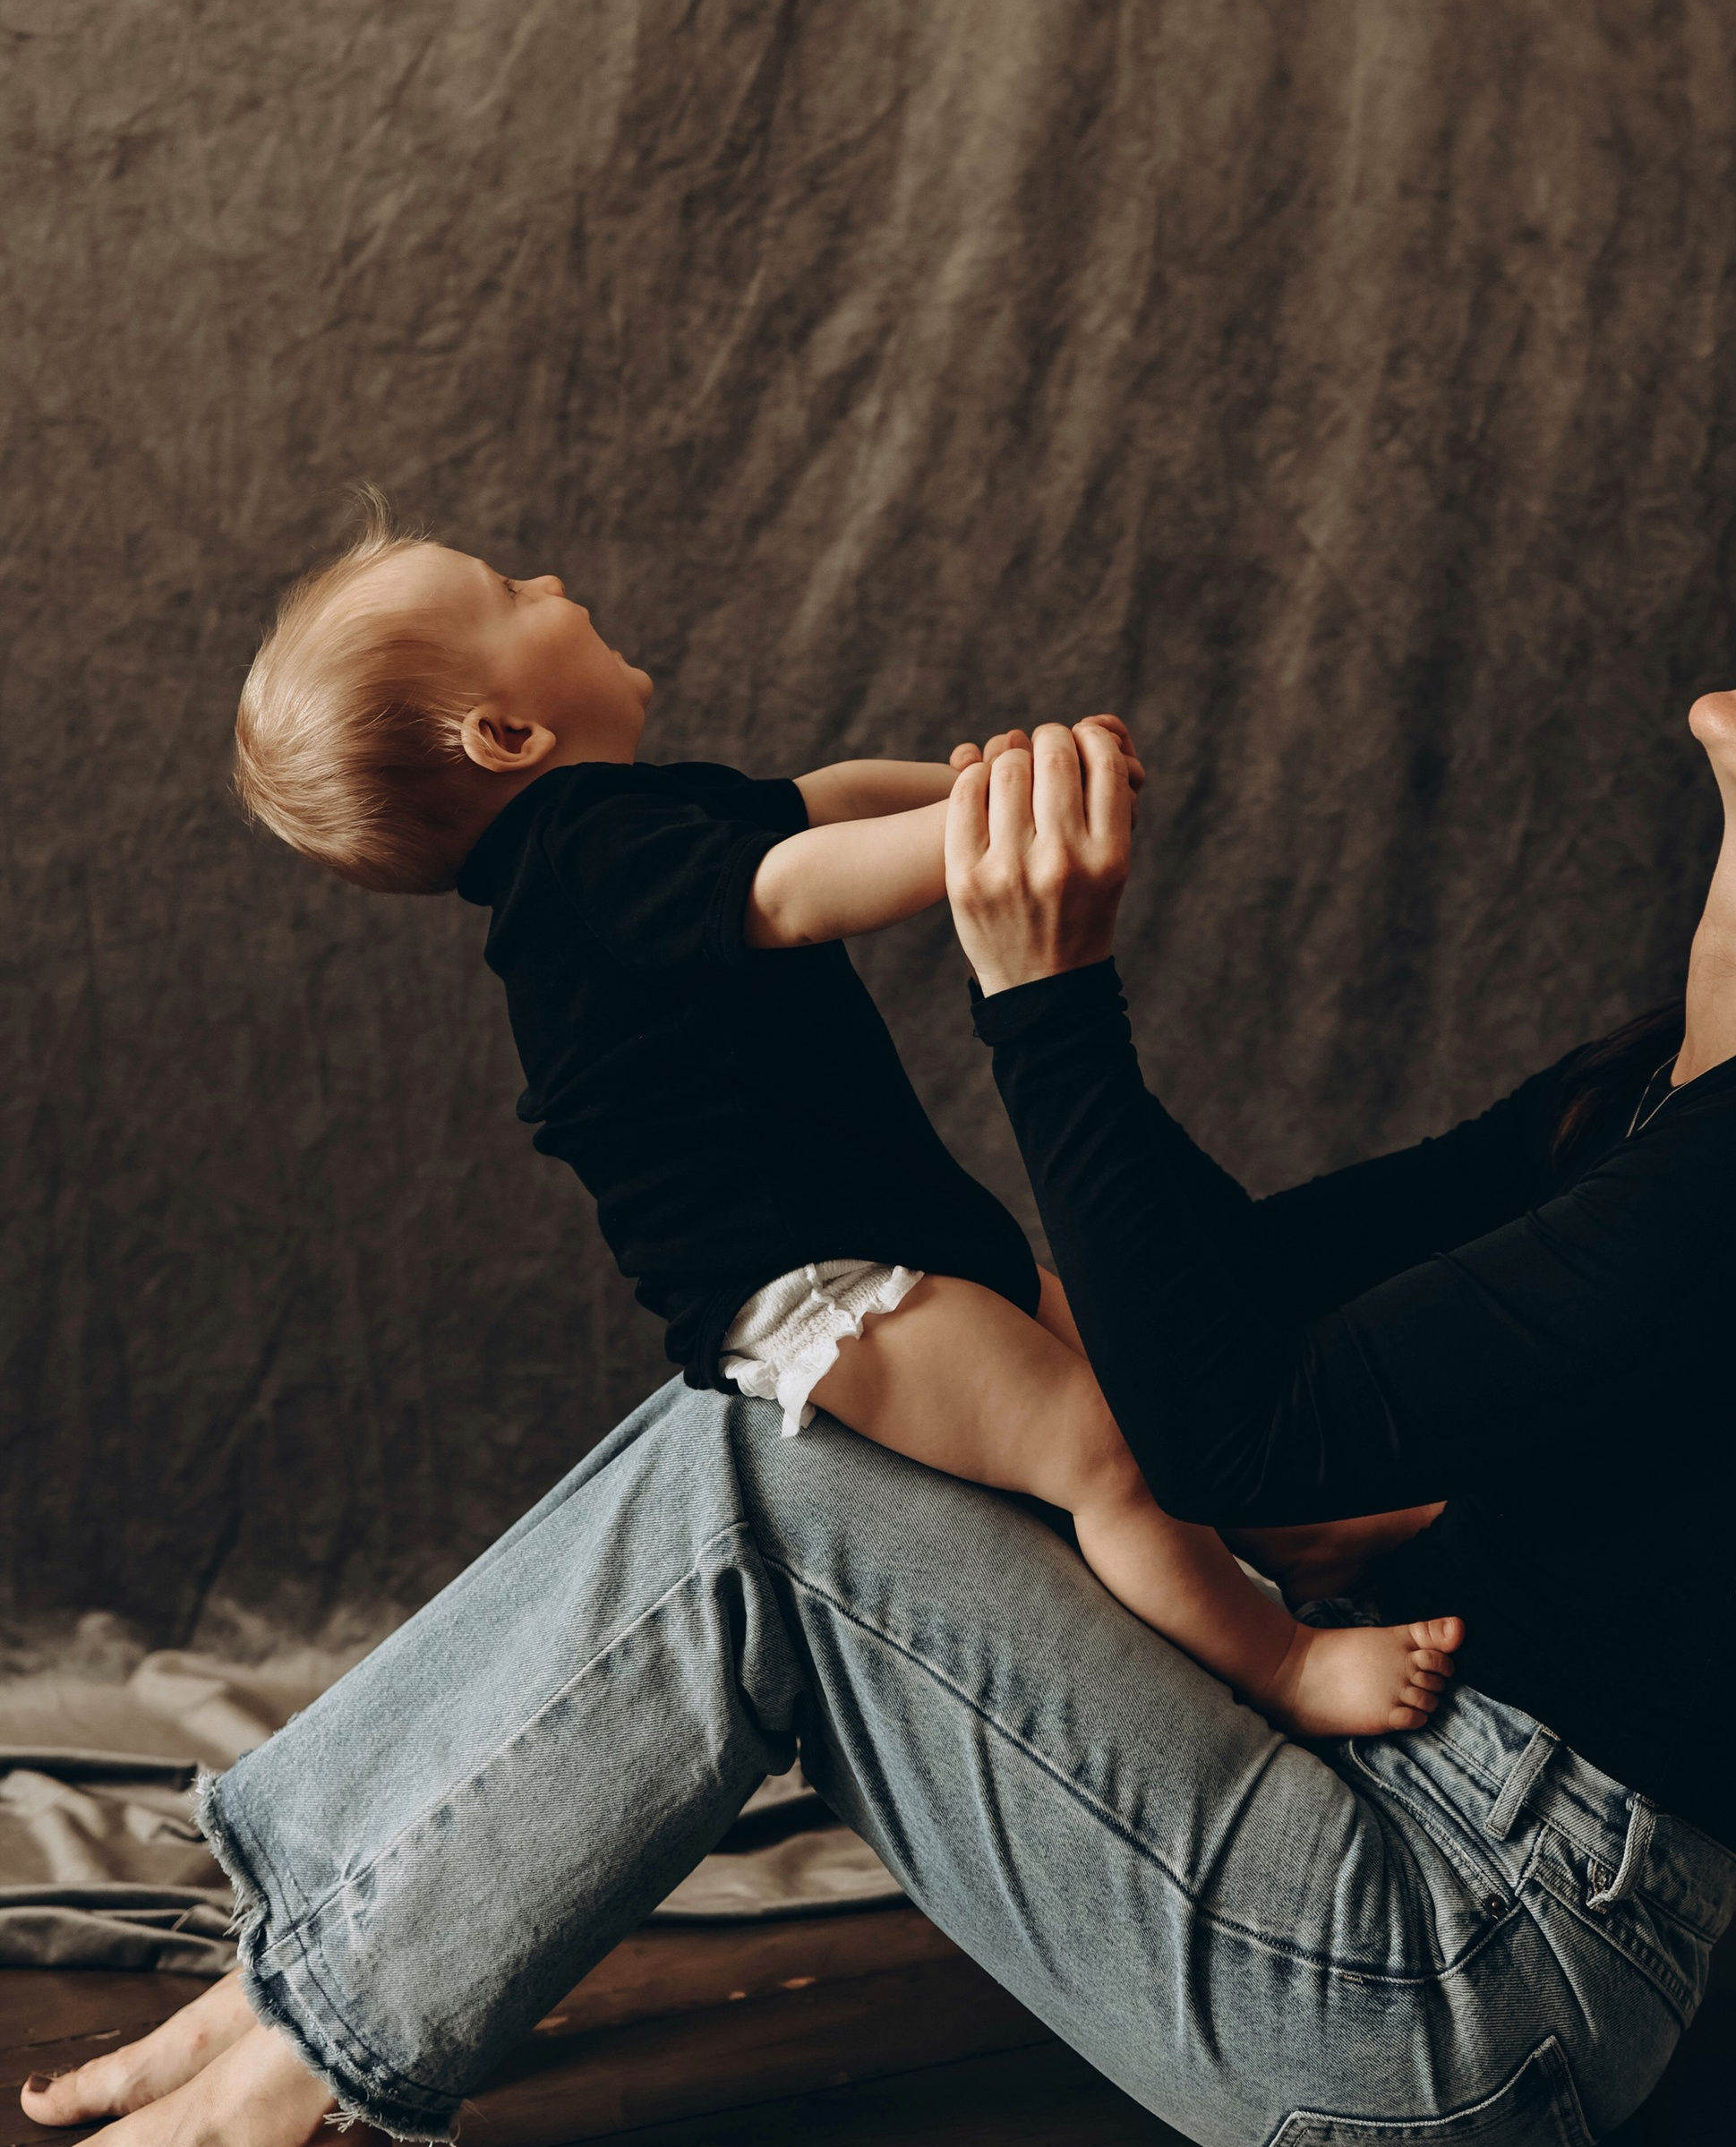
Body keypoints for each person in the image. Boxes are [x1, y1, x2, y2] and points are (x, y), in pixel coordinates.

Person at [8, 569, 1736, 2147]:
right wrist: (943, 1290)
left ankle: (301, 2094)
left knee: (766, 1466)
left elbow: (1221, 1424)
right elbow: (1238, 1301)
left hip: (1461, 1979)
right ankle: (309, 1977)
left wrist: (1046, 995)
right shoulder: (1668, 1089)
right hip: (1397, 1833)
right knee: (777, 1384)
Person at [227, 499, 1462, 1741]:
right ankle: (1285, 1667)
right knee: (1102, 1454)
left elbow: (823, 803)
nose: (549, 578)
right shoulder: (576, 861)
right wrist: (989, 838)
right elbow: (794, 889)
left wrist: (997, 783)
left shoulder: (631, 820)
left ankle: (1306, 1531)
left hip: (881, 1214)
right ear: (507, 732)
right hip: (813, 1281)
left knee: (1139, 1371)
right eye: (509, 592)